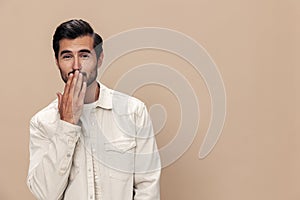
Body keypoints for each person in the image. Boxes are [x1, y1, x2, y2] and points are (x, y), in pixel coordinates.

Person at [26, 19, 161, 200]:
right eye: (67, 56)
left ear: (99, 59)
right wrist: (67, 124)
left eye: (84, 55)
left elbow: (148, 186)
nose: (76, 66)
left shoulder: (134, 112)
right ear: (57, 62)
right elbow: (45, 194)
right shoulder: (42, 122)